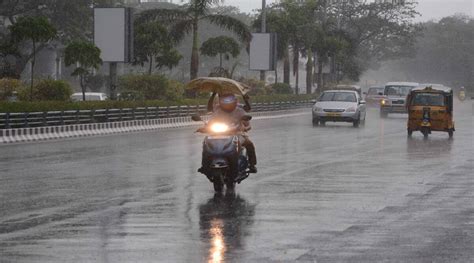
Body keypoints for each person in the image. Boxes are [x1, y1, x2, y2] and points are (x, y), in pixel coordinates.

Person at [200, 93, 257, 173]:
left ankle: (252, 165)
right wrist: (205, 127)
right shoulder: (217, 110)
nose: (227, 103)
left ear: (234, 101)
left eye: (229, 100)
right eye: (224, 100)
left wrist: (246, 128)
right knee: (206, 143)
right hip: (218, 134)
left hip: (237, 133)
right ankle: (204, 165)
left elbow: (248, 124)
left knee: (249, 144)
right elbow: (211, 121)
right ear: (220, 102)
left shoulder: (240, 111)